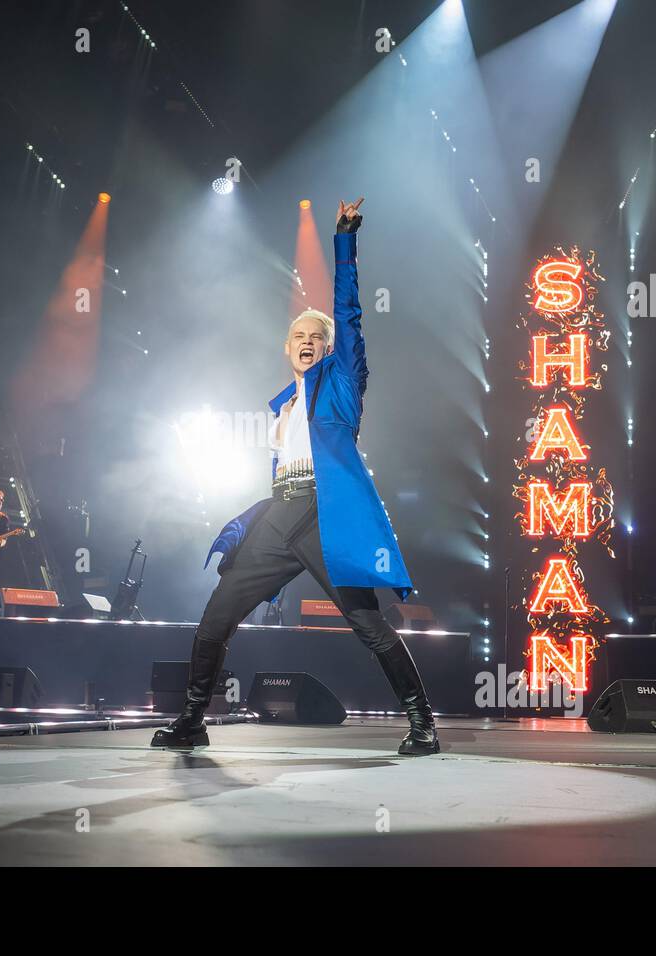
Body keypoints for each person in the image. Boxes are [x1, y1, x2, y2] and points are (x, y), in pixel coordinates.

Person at [152, 198, 438, 756]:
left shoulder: (342, 382)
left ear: (330, 350)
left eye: (317, 337)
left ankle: (422, 722)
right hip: (280, 514)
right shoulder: (283, 405)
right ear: (287, 350)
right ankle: (192, 720)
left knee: (367, 625)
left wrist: (343, 239)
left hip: (323, 514)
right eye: (298, 337)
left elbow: (347, 310)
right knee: (215, 617)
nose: (307, 341)